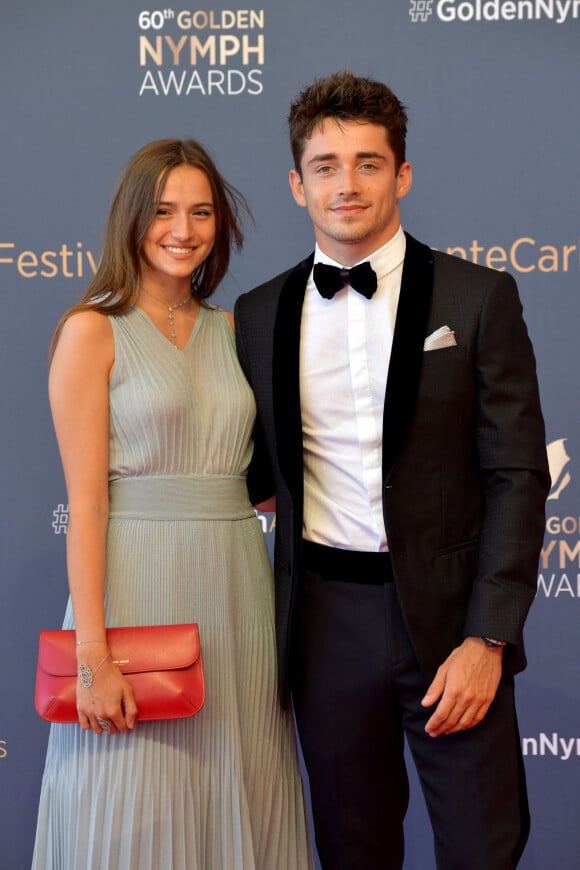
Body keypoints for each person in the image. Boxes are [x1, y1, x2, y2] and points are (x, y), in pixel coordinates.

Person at [234, 71, 550, 870]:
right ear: (297, 183)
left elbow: (517, 474)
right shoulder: (257, 312)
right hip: (323, 622)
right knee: (352, 848)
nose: (348, 184)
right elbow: (244, 467)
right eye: (327, 165)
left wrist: (488, 636)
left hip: (451, 623)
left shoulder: (480, 298)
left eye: (369, 163)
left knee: (484, 847)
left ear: (401, 175)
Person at [32, 139, 314, 870]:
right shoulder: (92, 331)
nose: (182, 229)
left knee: (244, 789)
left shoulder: (235, 331)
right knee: (135, 806)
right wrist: (93, 655)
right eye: (162, 211)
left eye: (200, 212)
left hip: (238, 593)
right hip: (136, 589)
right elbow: (87, 506)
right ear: (131, 218)